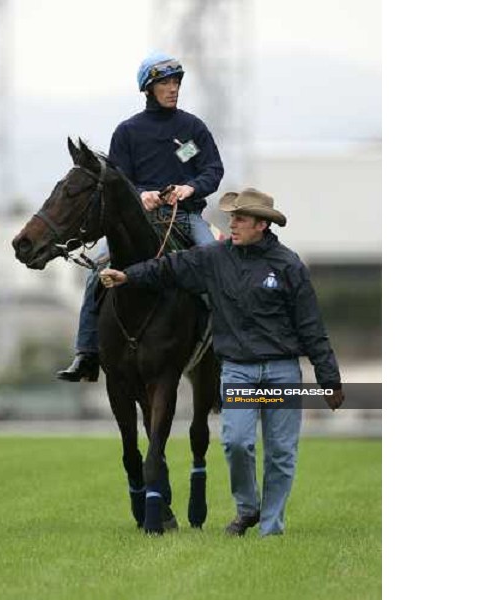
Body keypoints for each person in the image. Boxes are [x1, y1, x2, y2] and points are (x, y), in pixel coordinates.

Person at [99, 188, 345, 537]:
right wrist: (129, 276)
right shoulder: (213, 258)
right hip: (239, 371)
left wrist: (329, 379)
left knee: (280, 453)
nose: (232, 224)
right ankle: (247, 508)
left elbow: (311, 327)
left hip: (281, 372)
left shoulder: (288, 265)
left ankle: (271, 528)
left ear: (262, 225)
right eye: (231, 217)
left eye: (240, 218)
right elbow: (169, 267)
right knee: (236, 443)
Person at [57, 51, 224, 382]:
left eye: (176, 82)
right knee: (96, 275)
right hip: (141, 220)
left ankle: (226, 351)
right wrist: (141, 195)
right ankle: (86, 354)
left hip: (187, 217)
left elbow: (213, 170)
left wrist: (190, 188)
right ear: (148, 88)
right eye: (165, 83)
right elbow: (120, 181)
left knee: (216, 266)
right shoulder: (128, 131)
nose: (173, 88)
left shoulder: (193, 128)